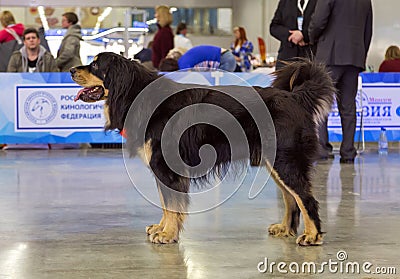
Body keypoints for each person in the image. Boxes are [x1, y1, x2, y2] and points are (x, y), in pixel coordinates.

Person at [309, 0, 373, 164]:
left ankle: (322, 148)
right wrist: (361, 54)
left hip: (330, 54)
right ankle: (348, 152)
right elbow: (368, 31)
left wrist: (312, 37)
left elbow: (318, 21)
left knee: (322, 103)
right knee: (348, 107)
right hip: (354, 57)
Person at [270, 0, 317, 70]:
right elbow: (274, 27)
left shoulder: (319, 2)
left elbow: (321, 25)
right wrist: (291, 36)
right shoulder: (285, 2)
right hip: (286, 58)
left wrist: (303, 35)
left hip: (311, 57)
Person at [159, 45, 236, 72]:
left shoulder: (183, 67)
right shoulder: (183, 60)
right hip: (225, 56)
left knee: (220, 89)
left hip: (224, 59)